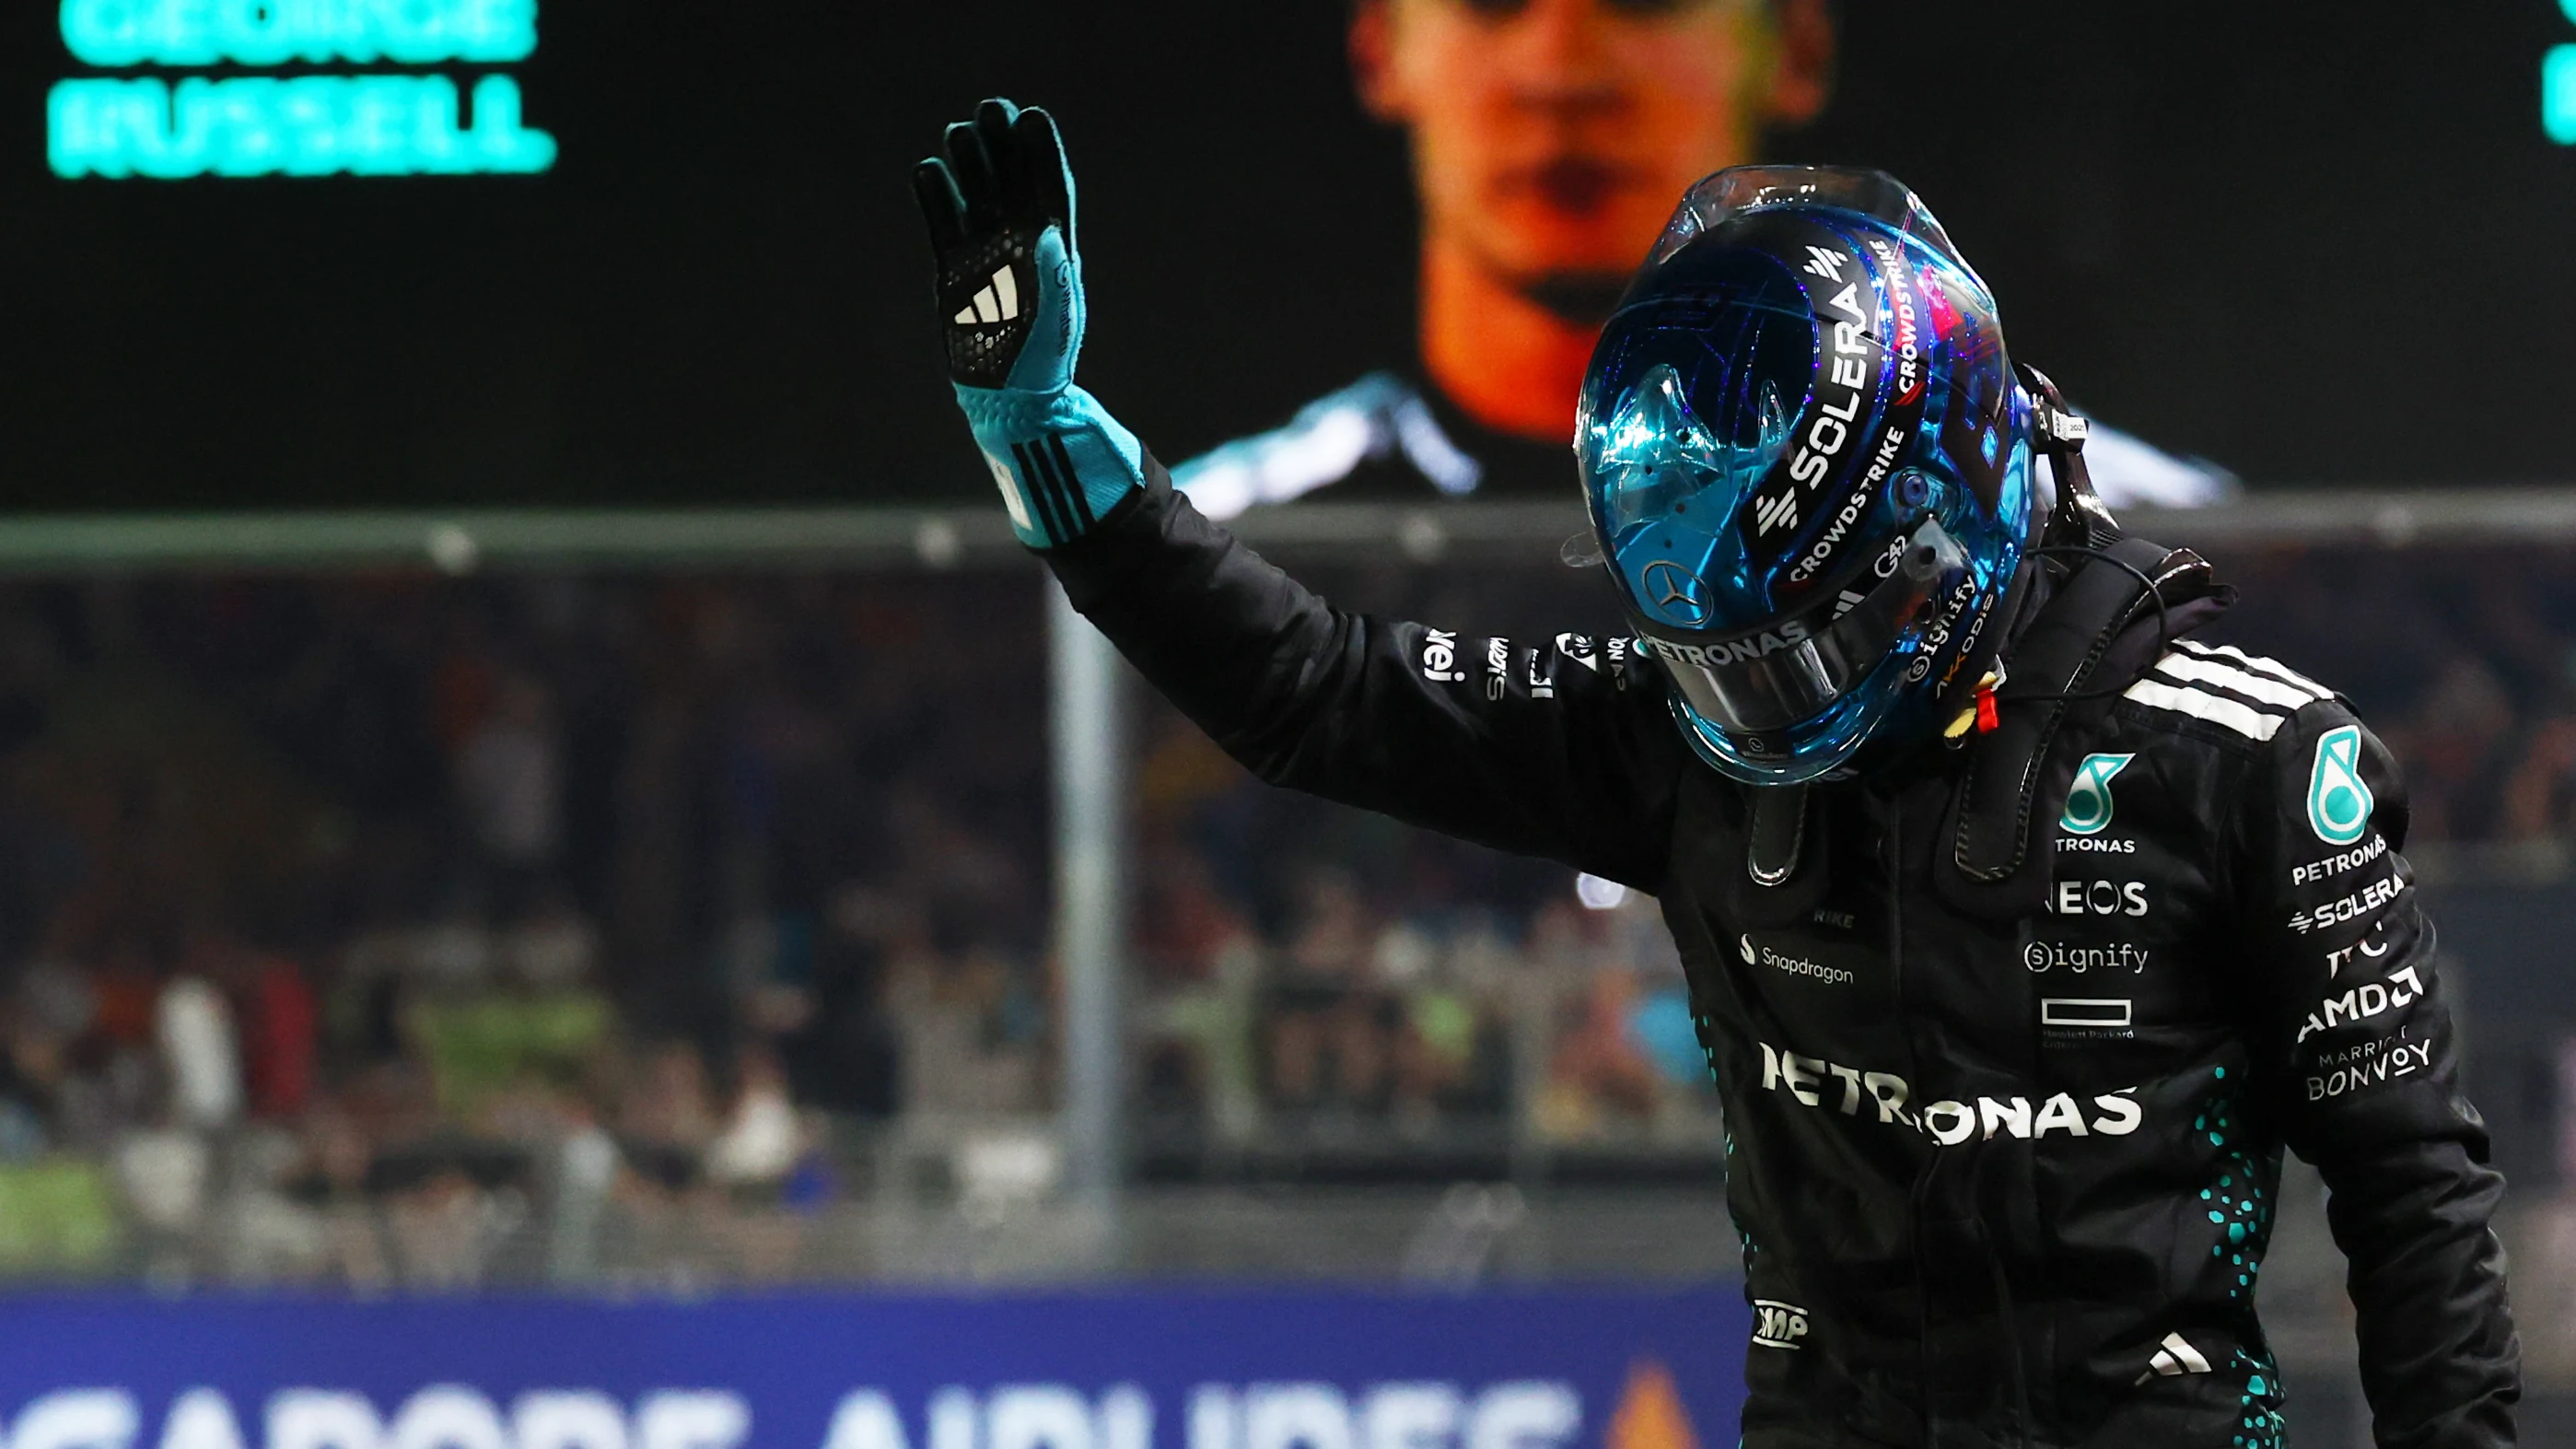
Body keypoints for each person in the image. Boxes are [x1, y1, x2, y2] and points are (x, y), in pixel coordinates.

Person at [915, 100, 2517, 1446]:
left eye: (1807, 640)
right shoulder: (1676, 735)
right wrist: (1044, 441)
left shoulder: (2248, 755)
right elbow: (1322, 693)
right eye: (1727, 655)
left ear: (1941, 518)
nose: (1767, 701)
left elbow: (2414, 1198)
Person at [1171, 0, 2231, 520]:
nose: (1559, 69)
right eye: (1492, 0)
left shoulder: (2107, 528)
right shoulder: (1202, 549)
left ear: (1798, 46)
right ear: (1377, 47)